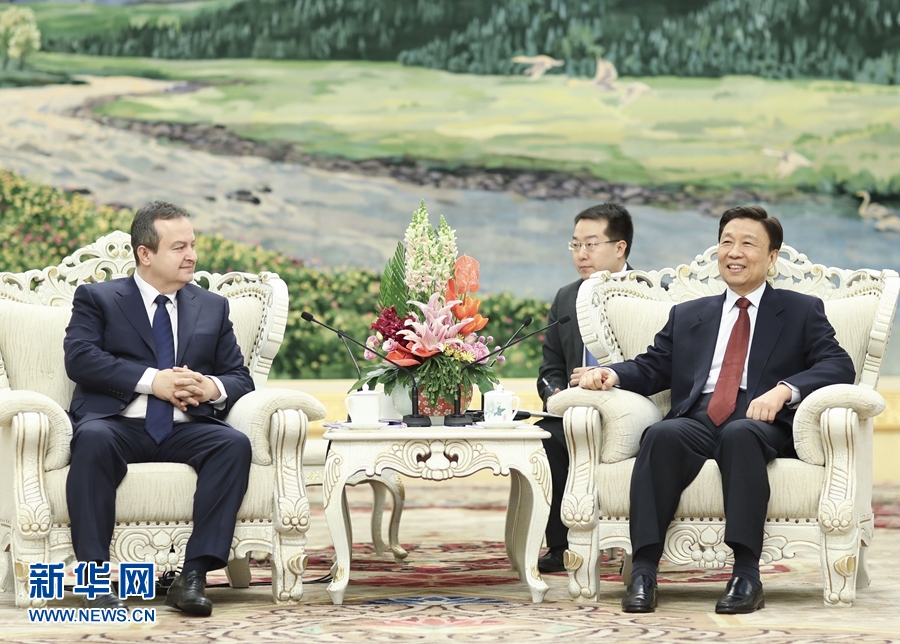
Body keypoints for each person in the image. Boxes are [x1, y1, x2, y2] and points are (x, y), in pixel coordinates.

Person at [579, 205, 855, 613]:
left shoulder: (801, 310)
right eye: (727, 242)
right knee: (661, 434)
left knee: (740, 434)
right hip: (698, 417)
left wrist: (783, 391)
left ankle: (746, 575)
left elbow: (839, 364)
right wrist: (611, 374)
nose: (734, 252)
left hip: (760, 419)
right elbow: (653, 367)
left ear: (772, 257)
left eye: (748, 243)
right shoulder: (690, 314)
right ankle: (643, 572)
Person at [64, 201, 255, 617]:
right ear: (145, 253)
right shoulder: (99, 298)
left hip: (185, 427)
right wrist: (154, 381)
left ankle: (192, 577)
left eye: (193, 245)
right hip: (118, 424)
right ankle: (94, 580)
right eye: (179, 247)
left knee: (233, 444)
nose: (192, 256)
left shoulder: (212, 306)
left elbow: (239, 376)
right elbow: (80, 359)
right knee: (92, 439)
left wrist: (209, 387)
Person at [536, 203, 634, 573]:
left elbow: (664, 365)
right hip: (575, 410)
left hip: (632, 410)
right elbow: (550, 369)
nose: (581, 254)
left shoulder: (650, 295)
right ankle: (561, 546)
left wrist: (612, 377)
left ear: (620, 247)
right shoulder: (566, 297)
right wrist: (556, 395)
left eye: (591, 244)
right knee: (544, 436)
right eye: (575, 245)